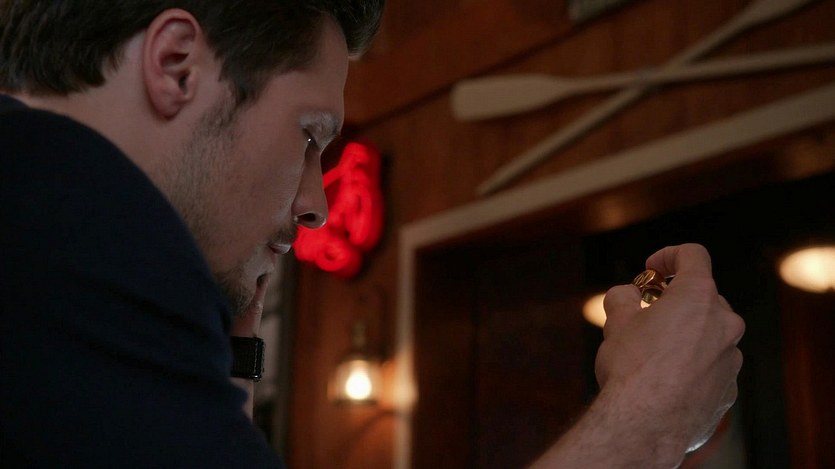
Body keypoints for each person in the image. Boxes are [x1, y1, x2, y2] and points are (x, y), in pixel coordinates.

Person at [0, 1, 743, 468]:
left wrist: (212, 387)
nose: (315, 205)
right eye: (309, 136)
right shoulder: (63, 216)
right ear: (176, 66)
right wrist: (649, 416)